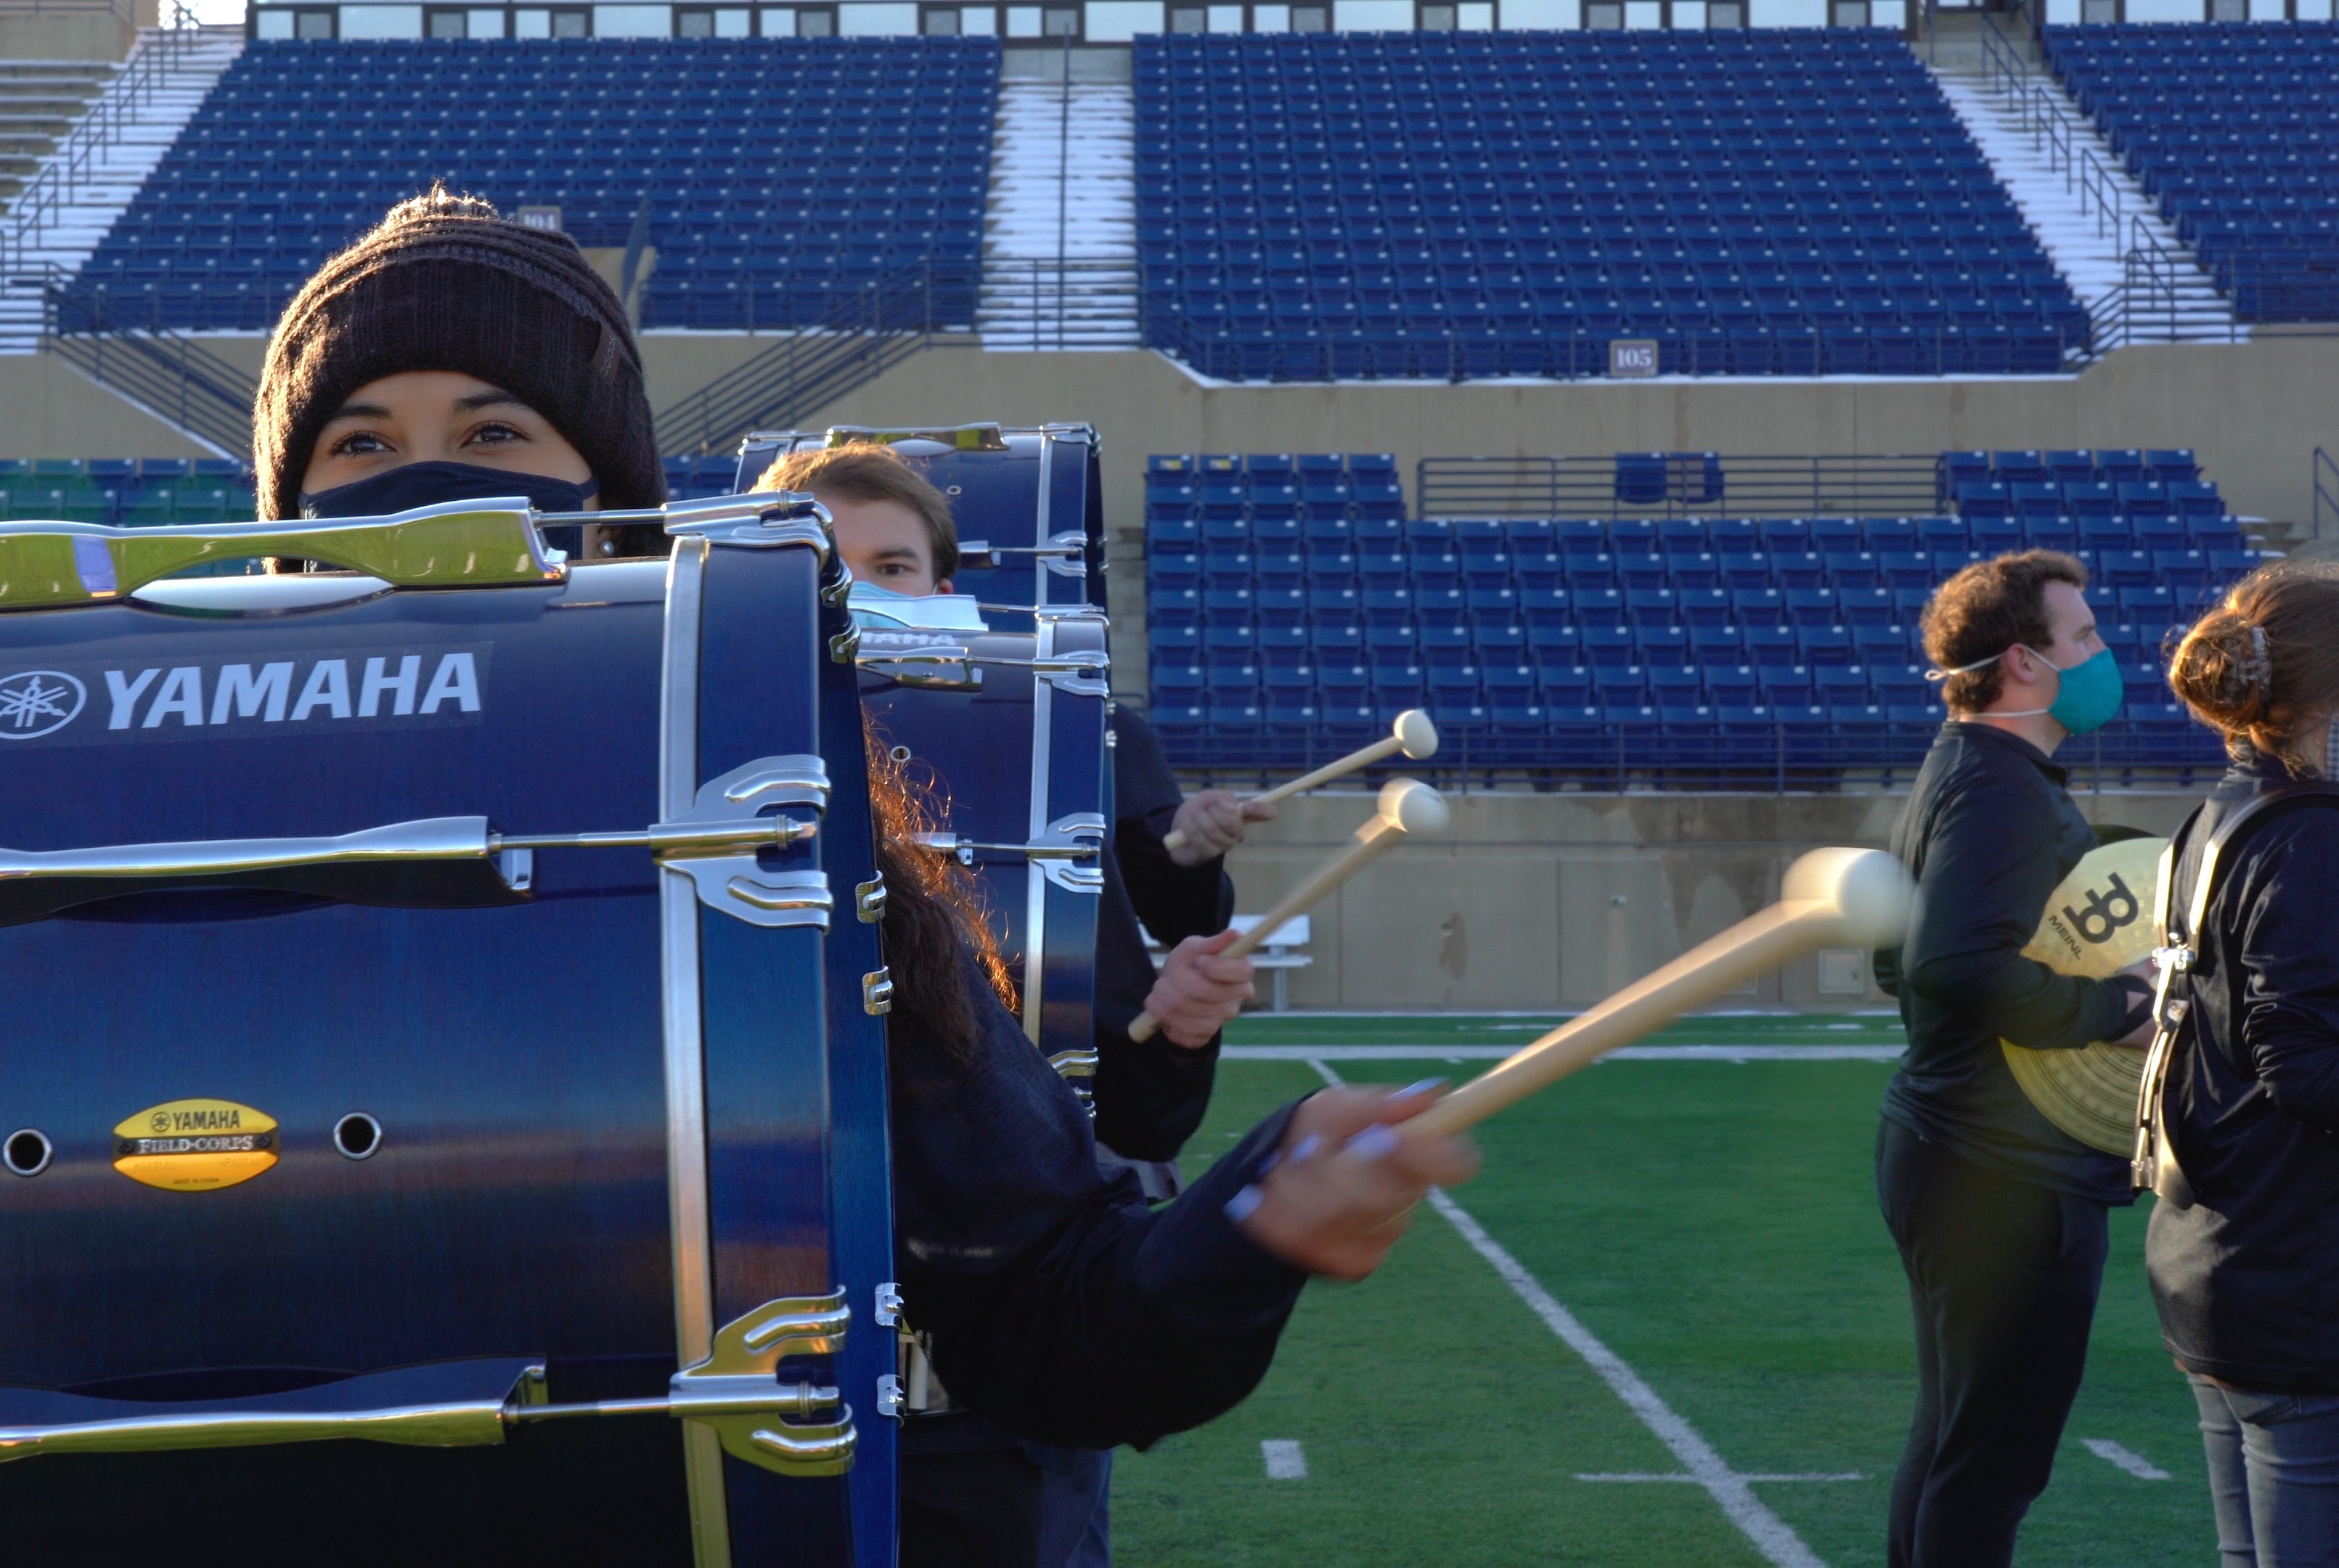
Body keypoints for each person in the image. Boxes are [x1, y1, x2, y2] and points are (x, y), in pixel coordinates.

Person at [253, 189, 1485, 1568]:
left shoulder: (786, 836)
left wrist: (1251, 1221)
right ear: (281, 520)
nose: (428, 488)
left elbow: (1047, 1307)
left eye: (494, 435)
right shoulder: (156, 834)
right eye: (362, 444)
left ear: (611, 510)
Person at [752, 441, 1273, 1568]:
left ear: (946, 590)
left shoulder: (1053, 744)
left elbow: (1136, 1119)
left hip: (997, 1401)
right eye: (825, 569)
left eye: (892, 567)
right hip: (757, 1356)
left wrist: (1181, 1029)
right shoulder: (702, 763)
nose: (858, 592)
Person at [1878, 549, 2156, 1567]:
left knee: (1956, 1443)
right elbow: (1949, 964)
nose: (2103, 652)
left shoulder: (1968, 766)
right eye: (2083, 636)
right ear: (2022, 665)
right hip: (2003, 1170)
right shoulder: (1998, 787)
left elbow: (1898, 959)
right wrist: (2114, 1009)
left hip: (1964, 1150)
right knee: (1990, 1465)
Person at [2149, 566, 2339, 1568]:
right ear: (2324, 697)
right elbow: (2314, 1072)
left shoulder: (2224, 811)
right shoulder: (2318, 834)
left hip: (2227, 1259)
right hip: (2310, 1289)